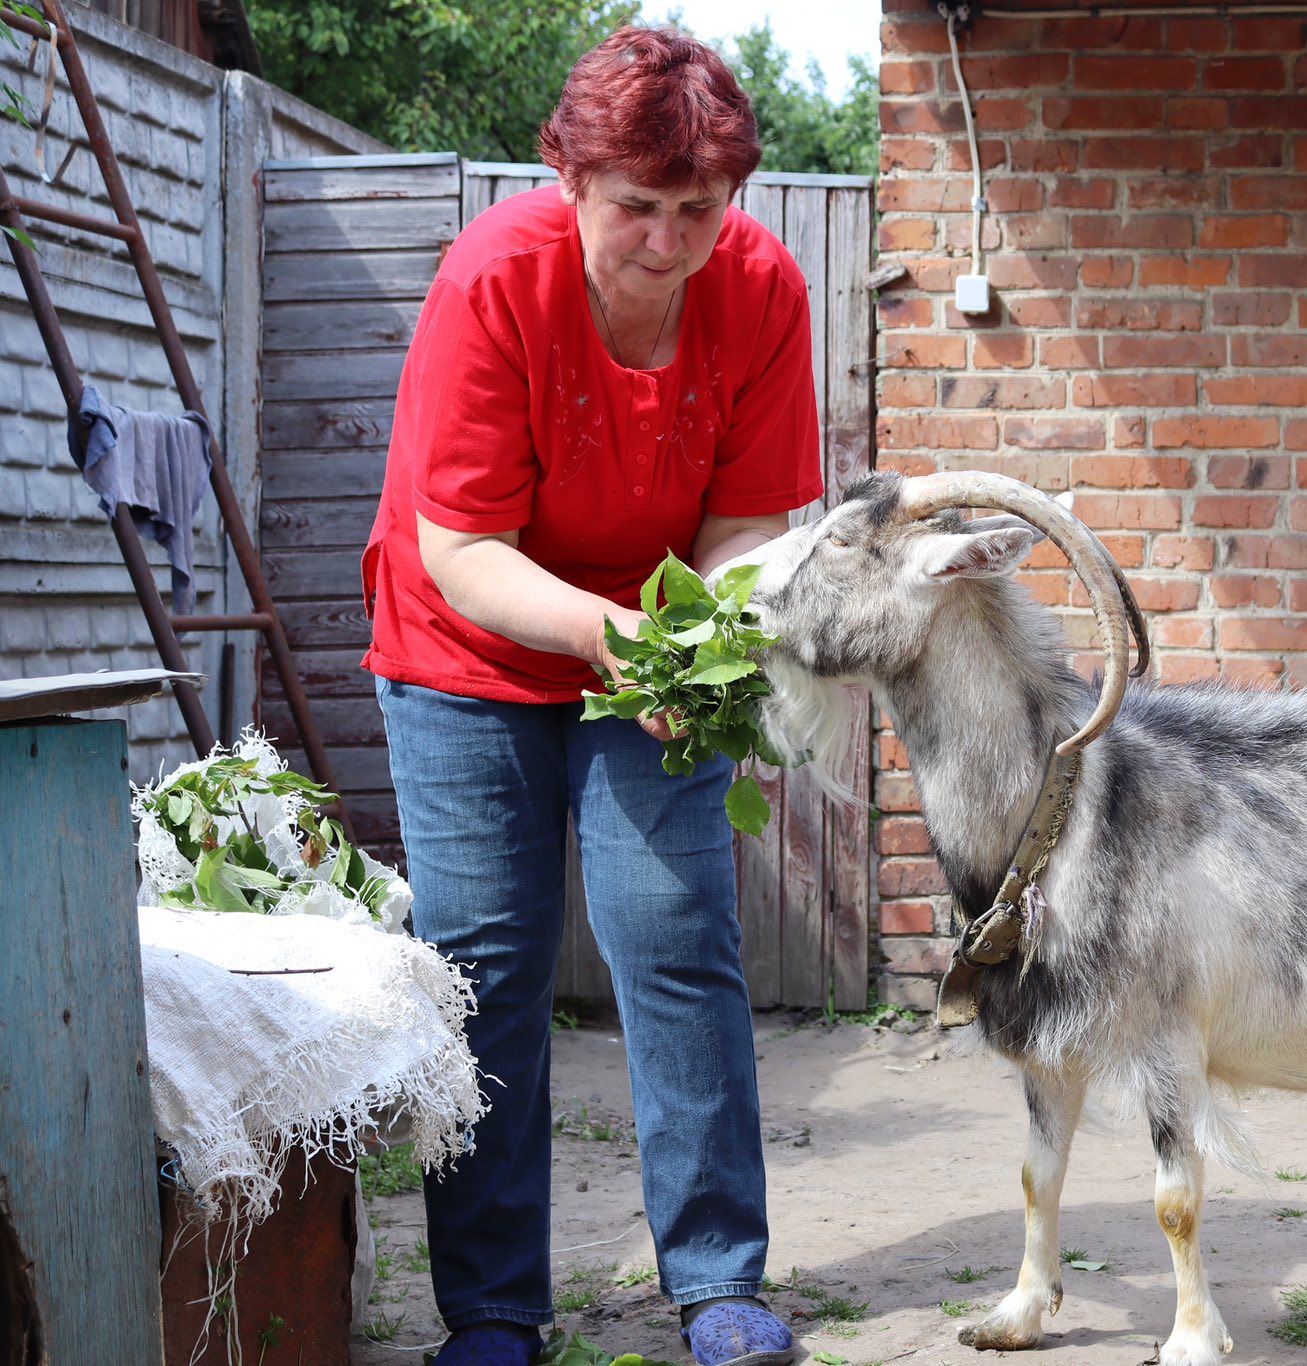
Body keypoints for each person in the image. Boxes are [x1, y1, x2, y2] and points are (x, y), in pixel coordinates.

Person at [359, 25, 819, 1366]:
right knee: (485, 964)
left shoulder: (763, 287)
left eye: (699, 208)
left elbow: (743, 526)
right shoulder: (495, 279)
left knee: (676, 935)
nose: (670, 242)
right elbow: (460, 550)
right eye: (637, 208)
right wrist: (611, 634)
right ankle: (494, 1309)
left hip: (649, 646)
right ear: (570, 179)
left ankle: (720, 1276)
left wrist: (692, 641)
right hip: (470, 642)